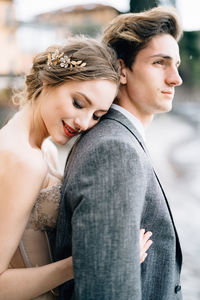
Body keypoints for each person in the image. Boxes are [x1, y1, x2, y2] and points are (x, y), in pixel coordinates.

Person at [0, 37, 152, 300]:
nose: (83, 123)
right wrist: (85, 260)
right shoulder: (24, 160)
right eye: (79, 103)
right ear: (49, 80)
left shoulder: (41, 148)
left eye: (97, 116)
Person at [54, 6, 183, 300]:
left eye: (175, 63)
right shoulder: (115, 150)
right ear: (123, 70)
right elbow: (105, 290)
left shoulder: (118, 139)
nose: (175, 78)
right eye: (160, 63)